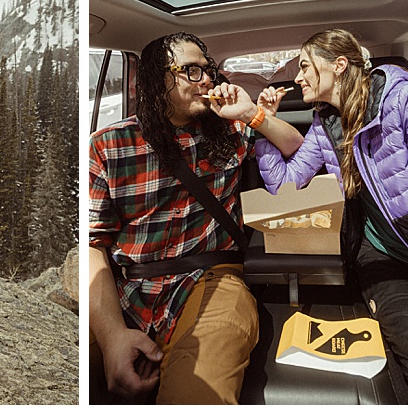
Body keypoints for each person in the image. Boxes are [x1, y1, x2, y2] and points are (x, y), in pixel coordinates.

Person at [252, 29, 408, 403]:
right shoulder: (325, 124)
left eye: (305, 66)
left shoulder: (405, 100)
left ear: (339, 66)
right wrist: (262, 122)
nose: (298, 76)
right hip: (382, 262)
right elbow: (284, 184)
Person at [89, 32, 298, 403]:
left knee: (197, 392)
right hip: (129, 289)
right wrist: (112, 337)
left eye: (208, 70)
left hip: (213, 277)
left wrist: (251, 114)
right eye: (191, 71)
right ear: (154, 80)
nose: (206, 81)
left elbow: (294, 146)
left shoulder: (231, 130)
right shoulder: (108, 145)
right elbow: (94, 245)